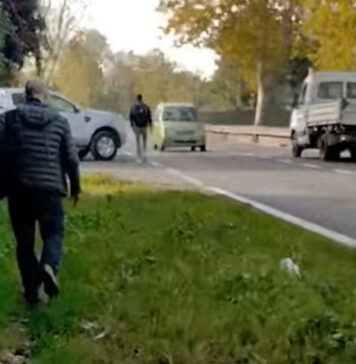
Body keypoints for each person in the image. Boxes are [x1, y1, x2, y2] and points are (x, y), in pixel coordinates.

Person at [0, 80, 80, 305]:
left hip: (19, 189)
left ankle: (31, 292)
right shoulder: (60, 121)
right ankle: (49, 266)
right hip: (50, 190)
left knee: (24, 242)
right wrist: (75, 187)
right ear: (45, 96)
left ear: (26, 95)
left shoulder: (10, 118)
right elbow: (71, 159)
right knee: (53, 234)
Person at [130, 94, 152, 162]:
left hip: (137, 126)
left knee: (138, 142)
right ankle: (144, 156)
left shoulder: (133, 107)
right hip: (144, 126)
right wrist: (150, 125)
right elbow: (149, 117)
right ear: (141, 98)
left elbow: (131, 117)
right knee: (144, 142)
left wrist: (132, 125)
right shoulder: (145, 106)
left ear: (136, 99)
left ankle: (139, 157)